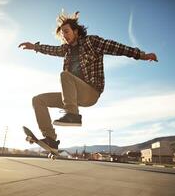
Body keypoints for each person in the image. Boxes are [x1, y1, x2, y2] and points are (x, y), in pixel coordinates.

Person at [18, 11, 158, 150]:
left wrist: (142, 55)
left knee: (65, 75)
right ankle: (50, 139)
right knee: (38, 100)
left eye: (67, 32)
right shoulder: (66, 50)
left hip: (90, 93)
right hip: (72, 97)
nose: (64, 36)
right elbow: (52, 49)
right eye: (62, 34)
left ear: (76, 31)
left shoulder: (91, 42)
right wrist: (34, 46)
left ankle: (73, 115)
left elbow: (117, 48)